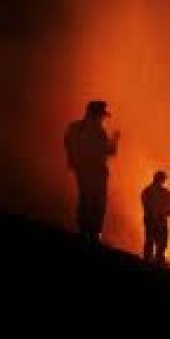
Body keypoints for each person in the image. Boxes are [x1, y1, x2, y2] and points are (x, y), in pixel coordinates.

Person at [64, 100, 120, 245]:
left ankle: (85, 231)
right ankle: (93, 234)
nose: (102, 119)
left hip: (84, 171)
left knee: (85, 199)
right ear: (96, 115)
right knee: (97, 202)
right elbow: (109, 151)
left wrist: (74, 163)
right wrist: (115, 140)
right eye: (101, 115)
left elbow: (69, 145)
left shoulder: (75, 128)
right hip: (96, 172)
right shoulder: (98, 132)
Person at [141, 170, 170, 265]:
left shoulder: (146, 191)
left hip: (150, 220)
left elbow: (146, 205)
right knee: (161, 243)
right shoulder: (163, 193)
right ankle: (157, 261)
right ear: (162, 180)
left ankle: (148, 261)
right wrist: (168, 212)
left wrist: (169, 211)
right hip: (159, 222)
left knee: (150, 242)